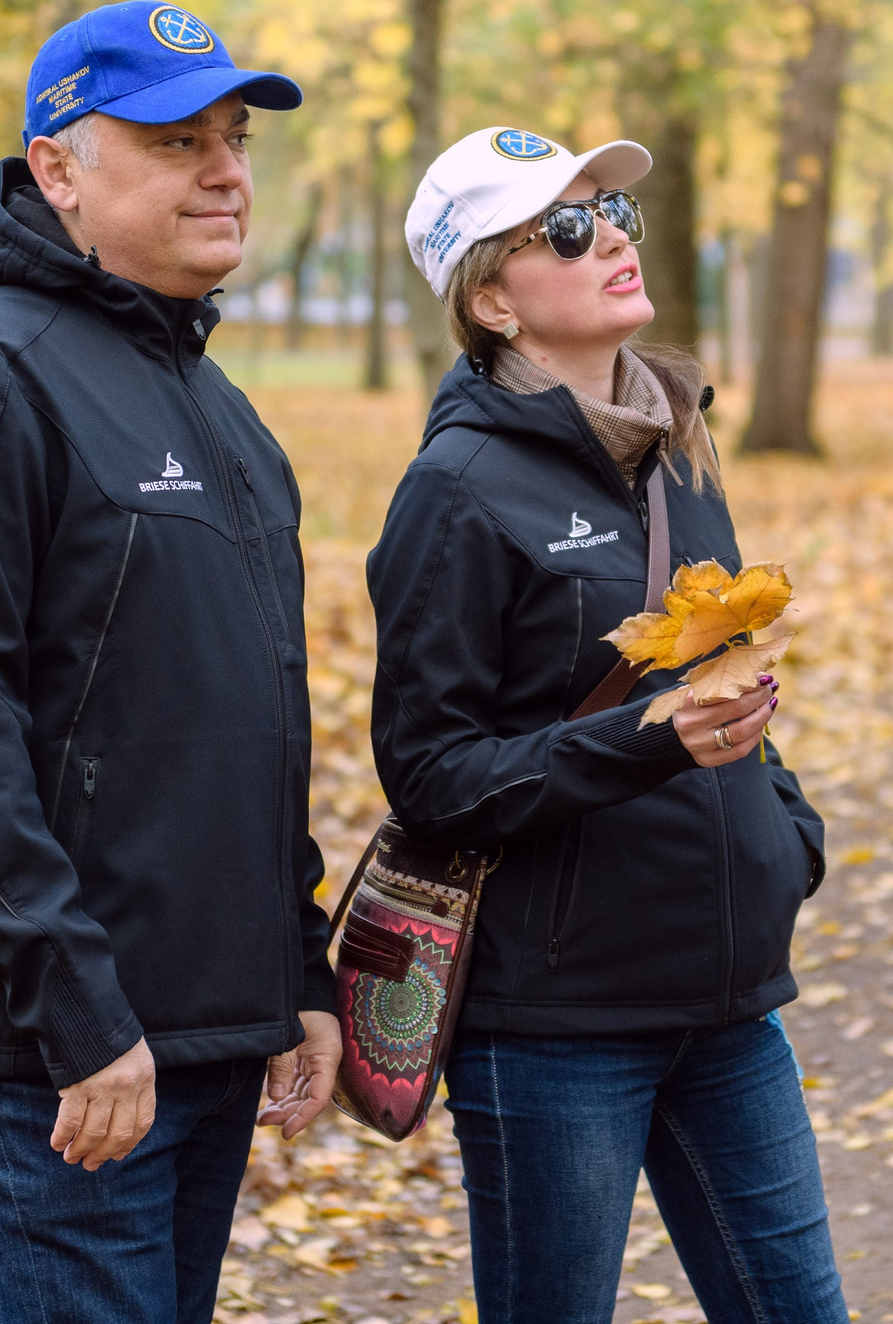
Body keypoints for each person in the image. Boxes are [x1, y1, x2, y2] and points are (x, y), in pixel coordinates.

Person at [0, 0, 342, 1324]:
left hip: (207, 1023)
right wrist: (77, 1010)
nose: (228, 169)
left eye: (233, 138)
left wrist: (294, 970)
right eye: (179, 141)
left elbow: (251, 718)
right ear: (58, 166)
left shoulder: (217, 406)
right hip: (66, 1049)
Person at [364, 126, 846, 1324]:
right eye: (566, 230)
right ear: (493, 300)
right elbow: (431, 775)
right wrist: (644, 744)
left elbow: (719, 676)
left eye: (611, 214)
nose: (611, 238)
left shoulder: (680, 449)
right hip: (557, 1025)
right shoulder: (455, 490)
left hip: (730, 1007)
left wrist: (782, 833)